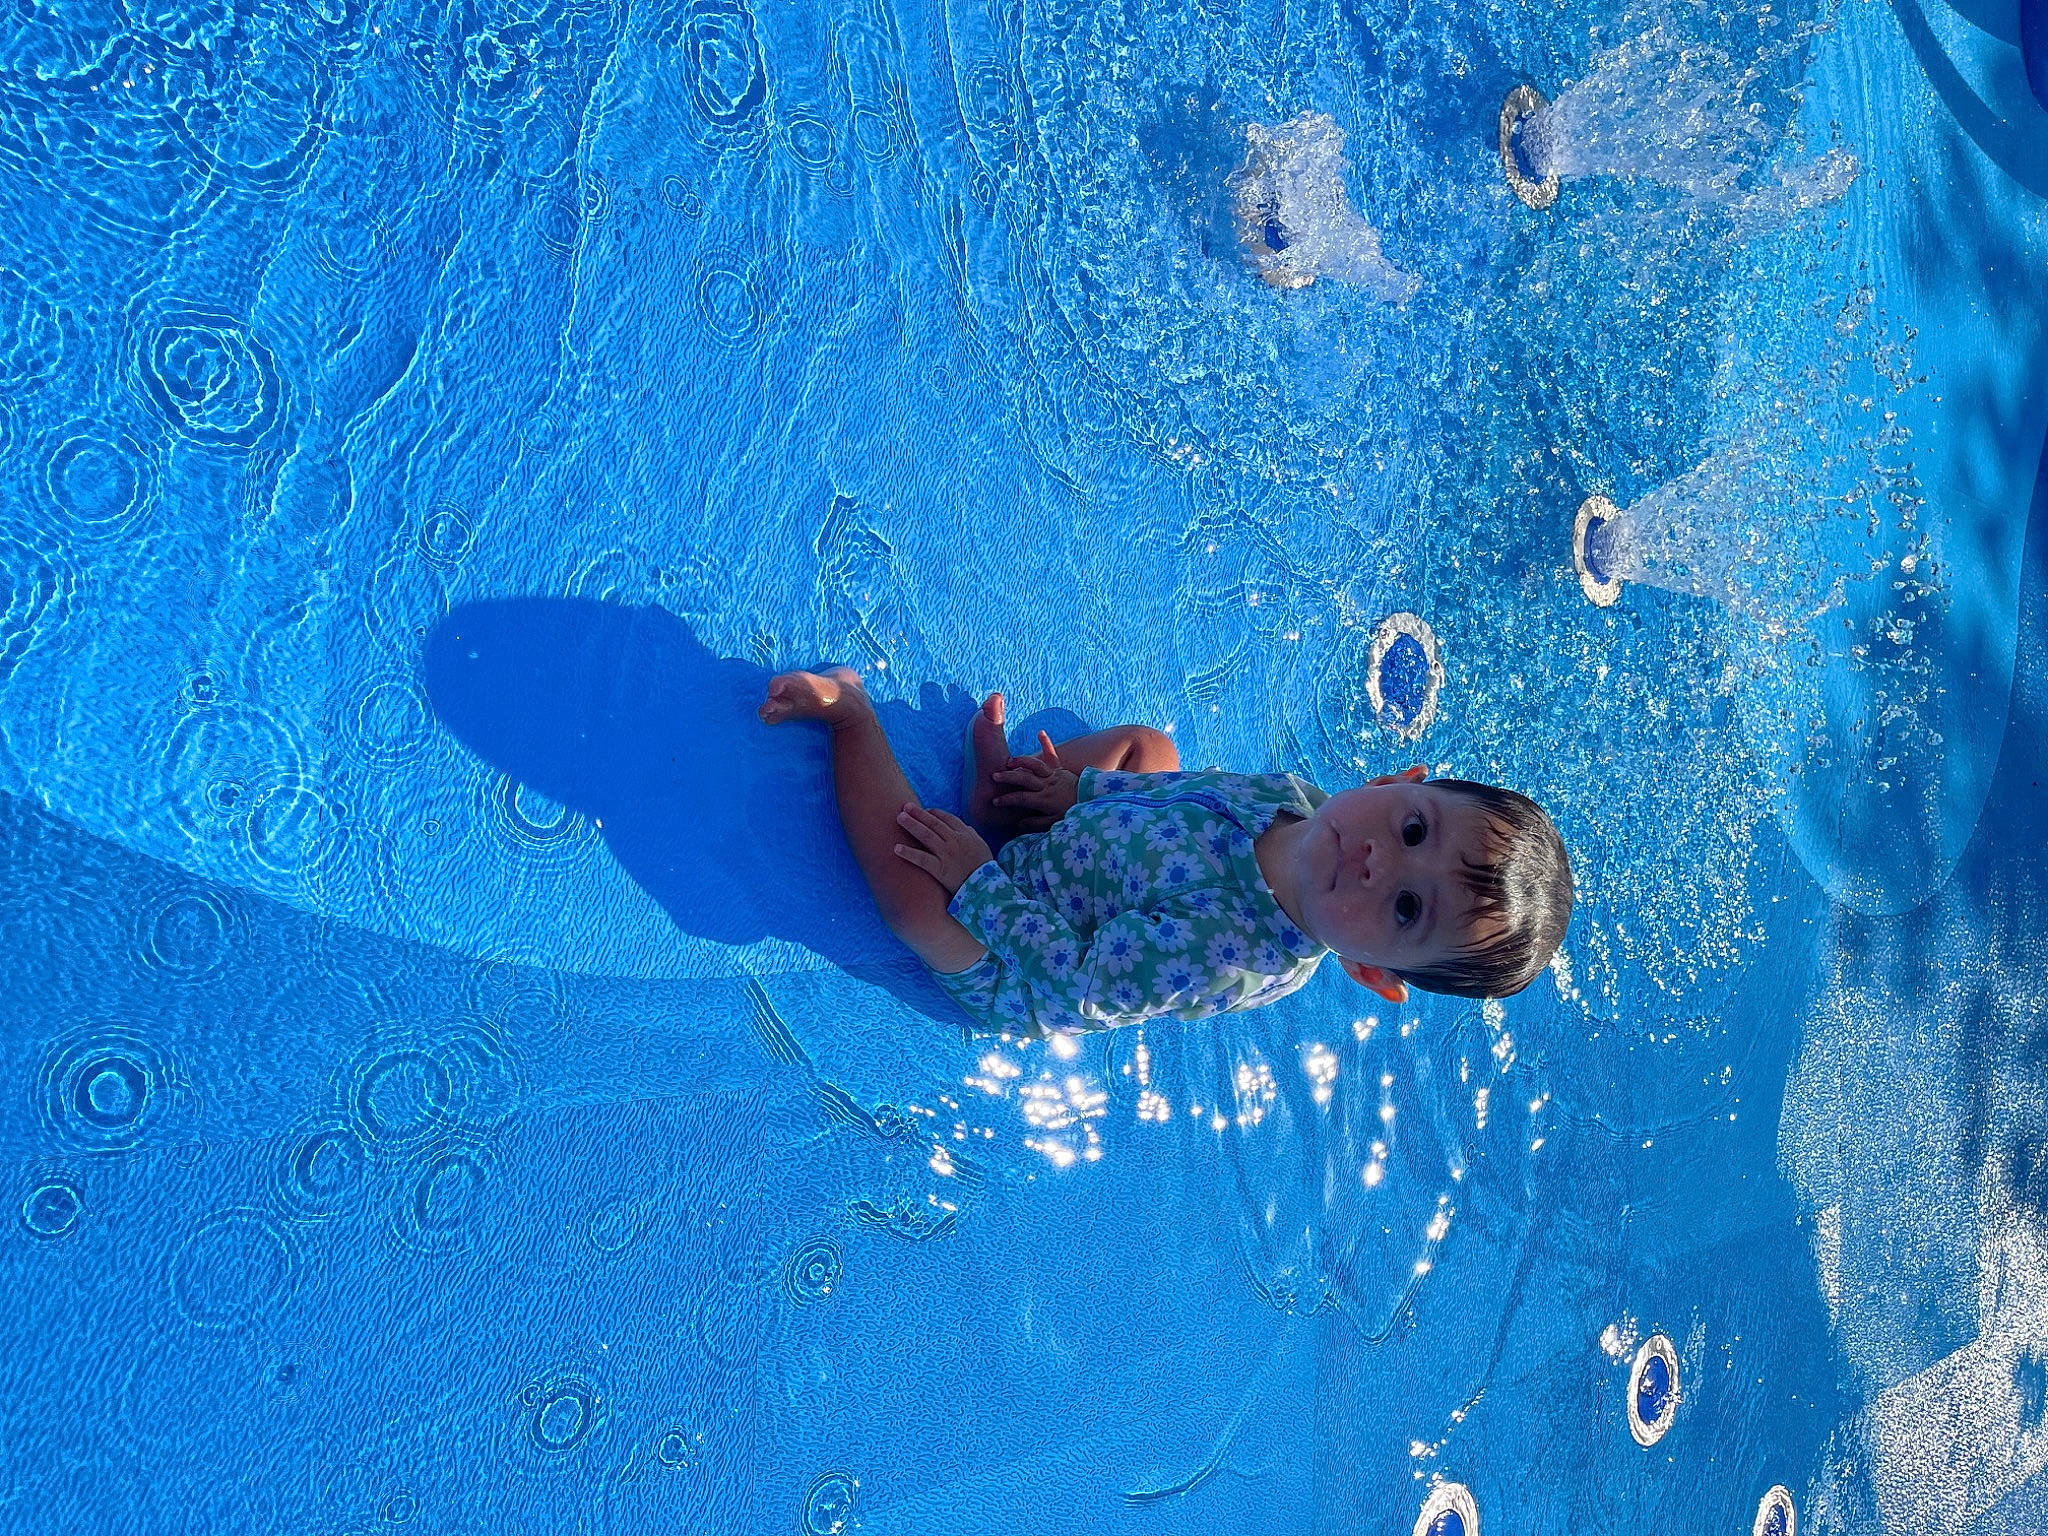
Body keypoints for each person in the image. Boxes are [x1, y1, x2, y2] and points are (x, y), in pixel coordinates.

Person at [758, 667, 1571, 1038]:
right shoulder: (1299, 800)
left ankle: (852, 717)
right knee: (1152, 749)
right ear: (1396, 781)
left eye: (1406, 908)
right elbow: (1180, 797)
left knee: (914, 906)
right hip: (1095, 847)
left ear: (1369, 970)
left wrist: (981, 883)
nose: (1378, 862)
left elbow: (1079, 985)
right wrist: (1078, 794)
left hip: (1026, 953)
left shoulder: (1232, 958)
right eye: (1414, 830)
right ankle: (1003, 799)